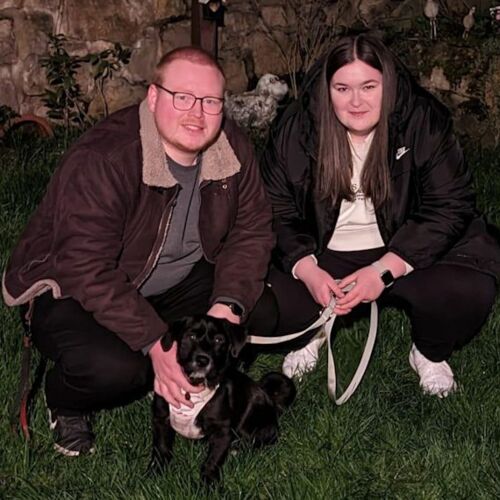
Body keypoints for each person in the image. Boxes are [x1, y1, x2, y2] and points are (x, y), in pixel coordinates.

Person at [2, 46, 273, 456]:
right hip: (74, 289)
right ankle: (66, 401)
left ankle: (198, 386)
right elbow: (84, 265)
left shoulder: (231, 146)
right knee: (121, 369)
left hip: (172, 282)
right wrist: (155, 343)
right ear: (153, 96)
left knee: (258, 308)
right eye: (182, 97)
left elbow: (252, 229)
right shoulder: (106, 157)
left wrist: (227, 308)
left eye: (210, 101)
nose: (197, 113)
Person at [252, 33, 500, 398]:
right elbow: (274, 207)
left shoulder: (421, 118)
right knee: (261, 301)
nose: (356, 102)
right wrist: (306, 269)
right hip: (322, 250)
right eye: (342, 89)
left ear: (388, 84)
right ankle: (311, 332)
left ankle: (429, 352)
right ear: (327, 90)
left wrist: (384, 270)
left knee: (469, 290)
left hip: (402, 244)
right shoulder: (297, 127)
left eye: (369, 86)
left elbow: (450, 203)